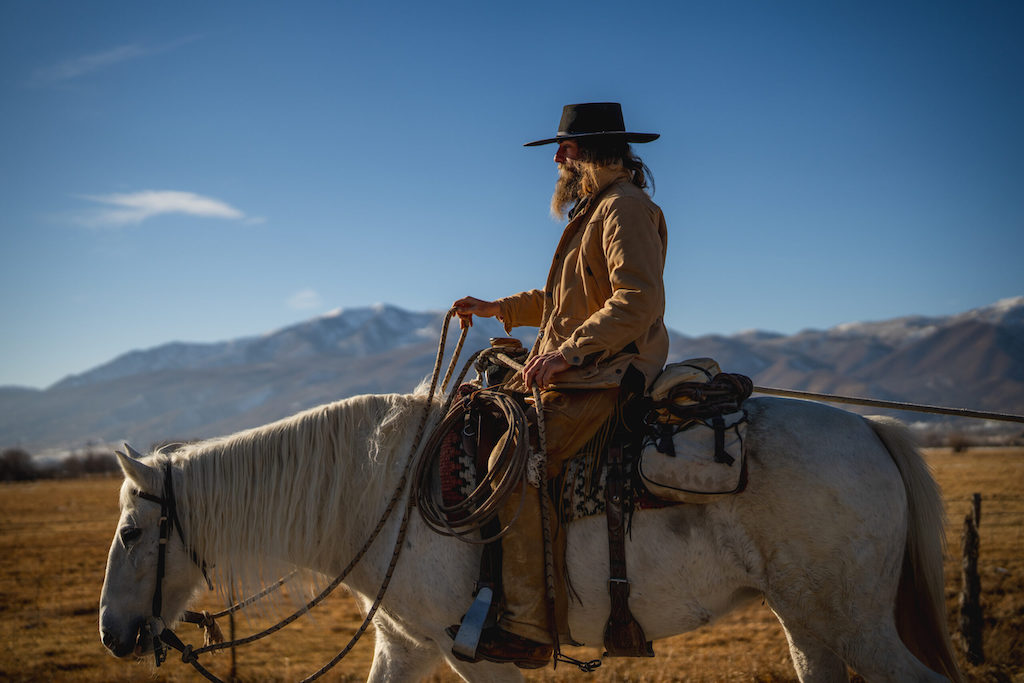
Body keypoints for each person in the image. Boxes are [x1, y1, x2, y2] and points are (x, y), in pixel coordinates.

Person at [452, 102, 669, 668]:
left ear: (582, 154)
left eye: (563, 150)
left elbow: (637, 300)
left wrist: (567, 353)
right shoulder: (598, 212)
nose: (555, 159)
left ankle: (528, 625)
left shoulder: (623, 208)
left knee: (514, 462)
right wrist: (500, 307)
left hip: (606, 374)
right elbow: (566, 304)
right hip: (587, 367)